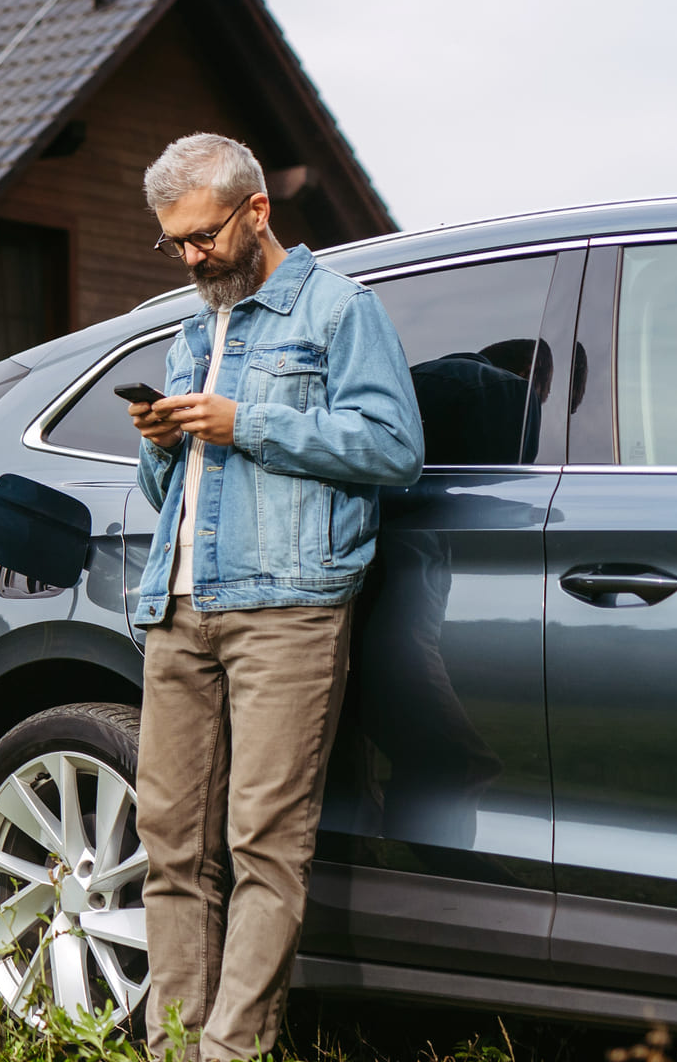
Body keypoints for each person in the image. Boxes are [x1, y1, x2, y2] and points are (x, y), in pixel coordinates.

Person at [124, 133, 424, 1062]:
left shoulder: (341, 312)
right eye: (173, 243)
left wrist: (245, 422)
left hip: (288, 607)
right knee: (170, 846)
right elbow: (157, 492)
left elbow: (392, 448)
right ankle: (173, 1048)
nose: (190, 258)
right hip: (177, 607)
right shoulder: (190, 329)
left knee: (264, 845)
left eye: (203, 237)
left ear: (257, 211)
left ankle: (231, 1051)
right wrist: (161, 441)